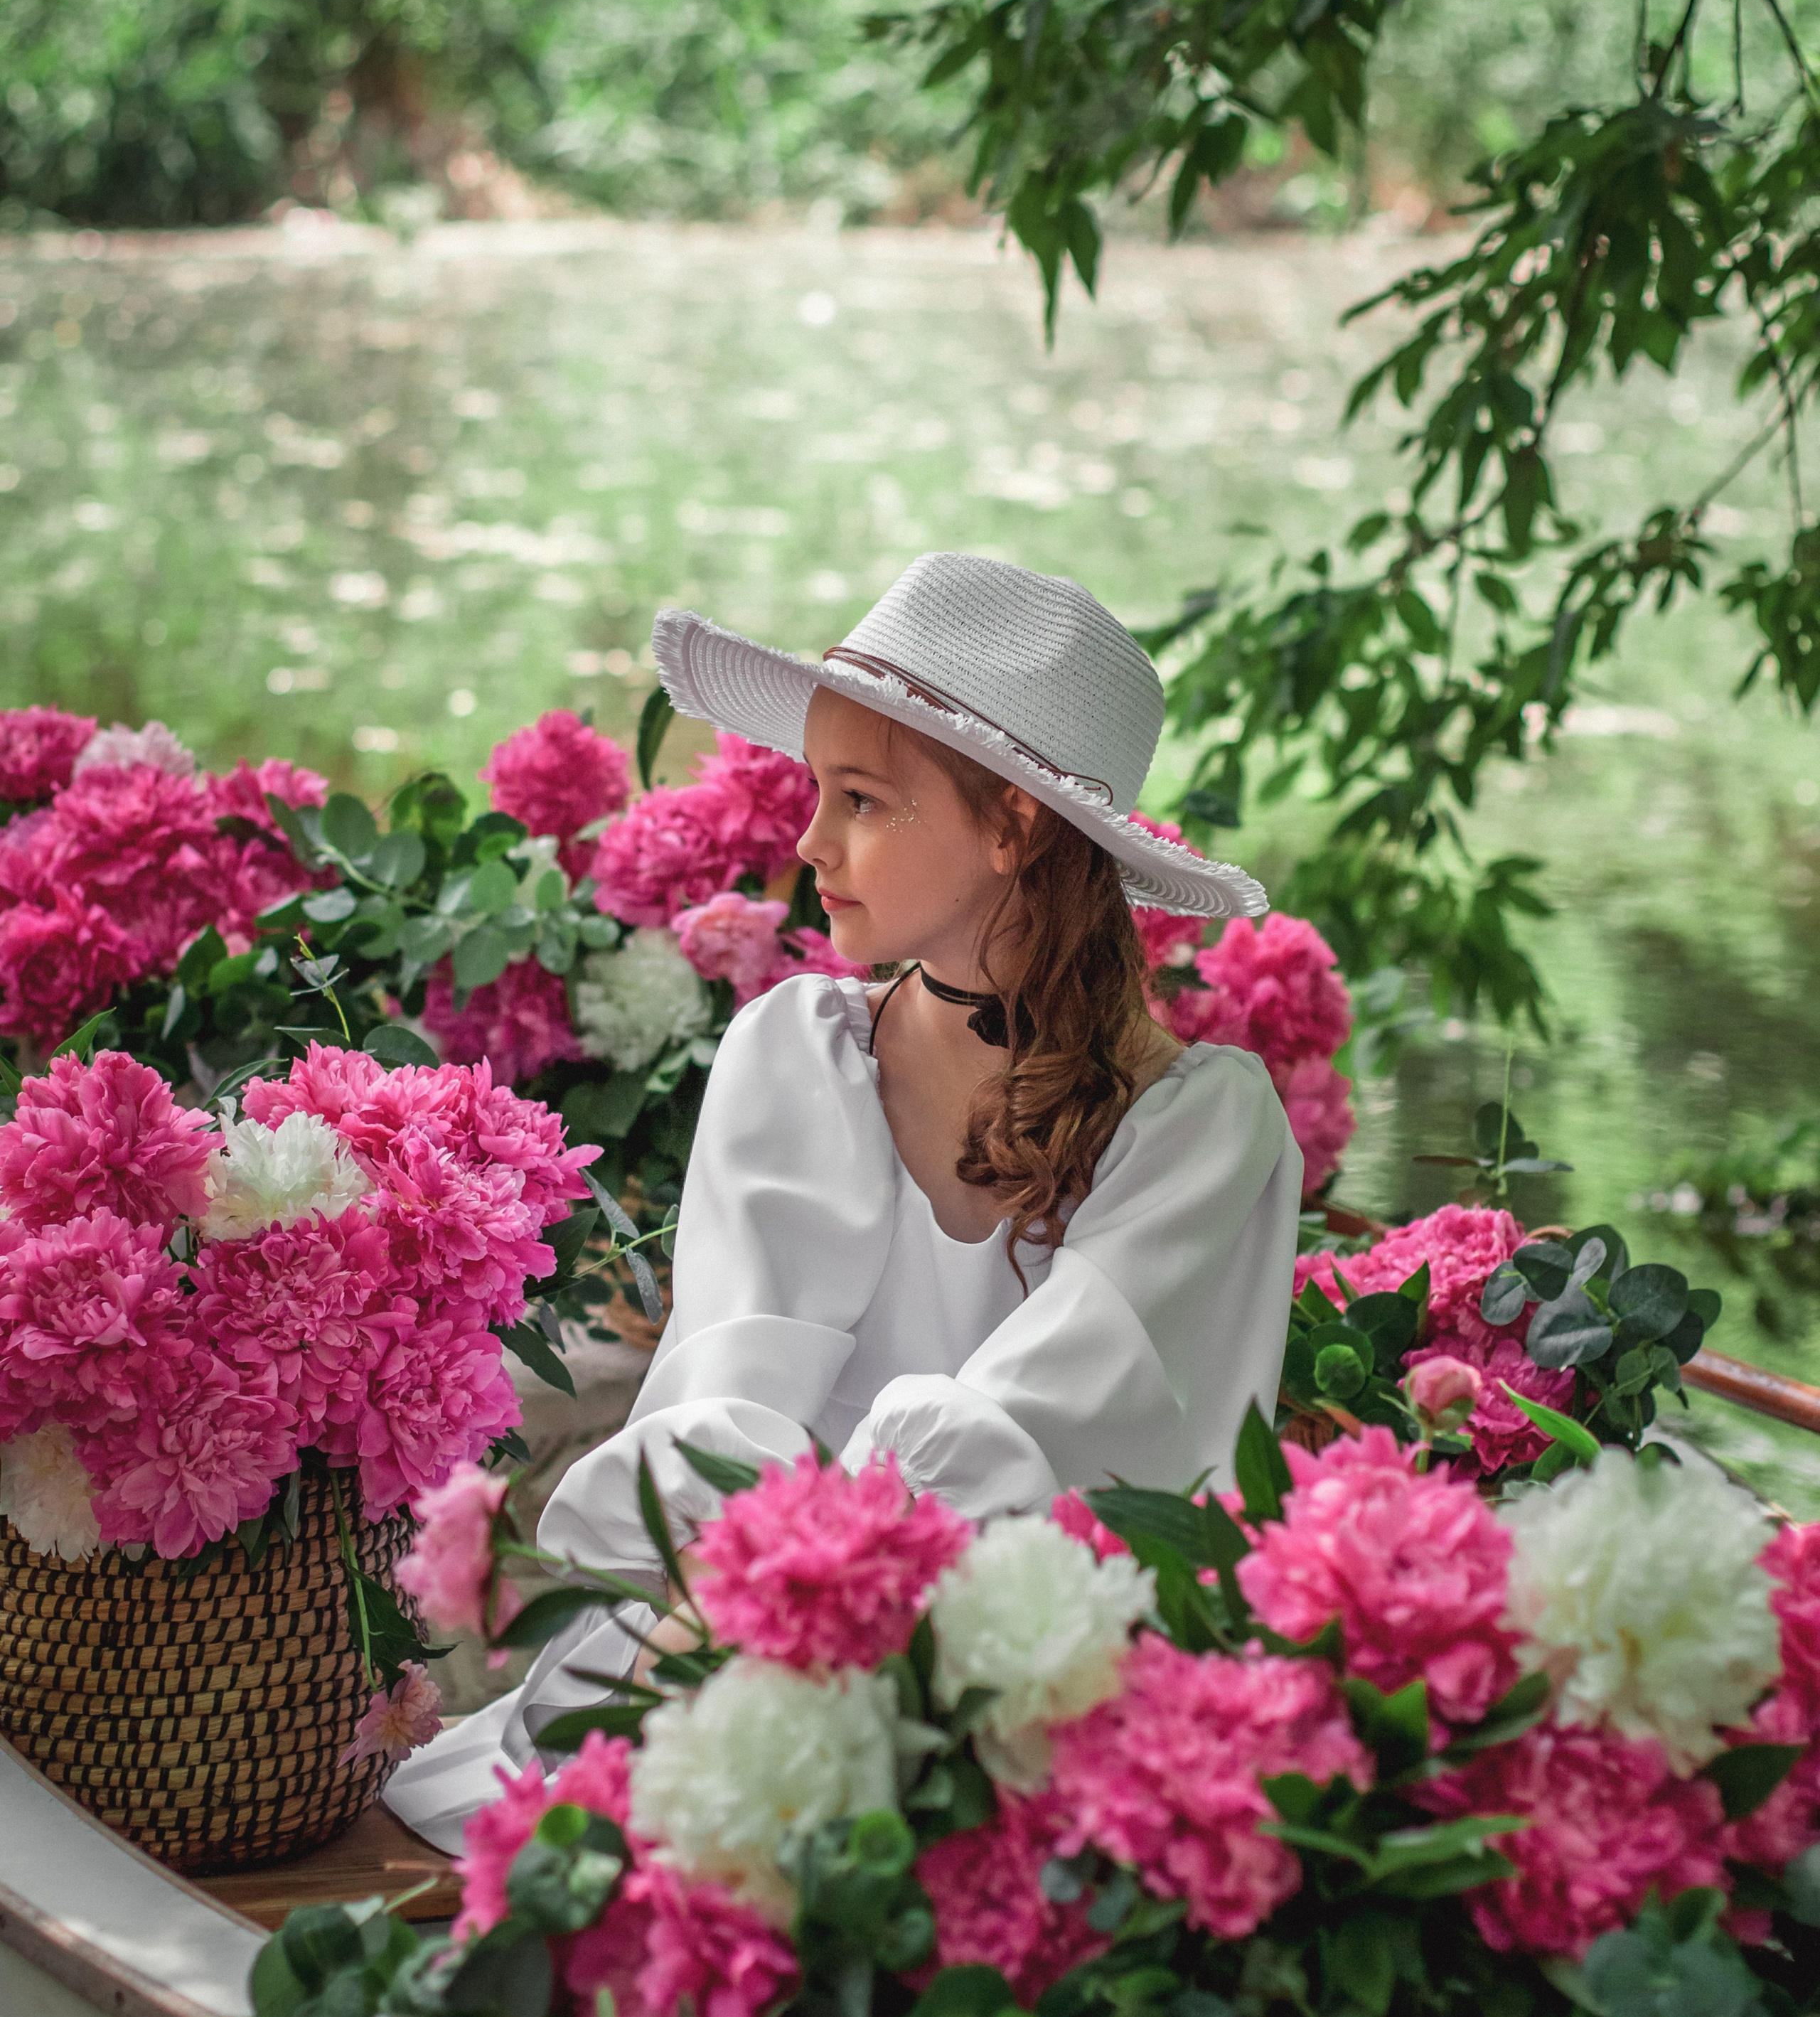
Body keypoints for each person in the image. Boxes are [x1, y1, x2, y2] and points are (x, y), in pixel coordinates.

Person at [387, 552, 1302, 1851]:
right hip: (705, 1629)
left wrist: (803, 1627)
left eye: (863, 799)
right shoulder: (798, 1055)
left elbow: (1054, 1455)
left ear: (1012, 828)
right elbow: (720, 1410)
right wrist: (736, 1645)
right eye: (821, 791)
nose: (811, 843)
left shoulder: (1200, 1133)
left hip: (997, 1702)